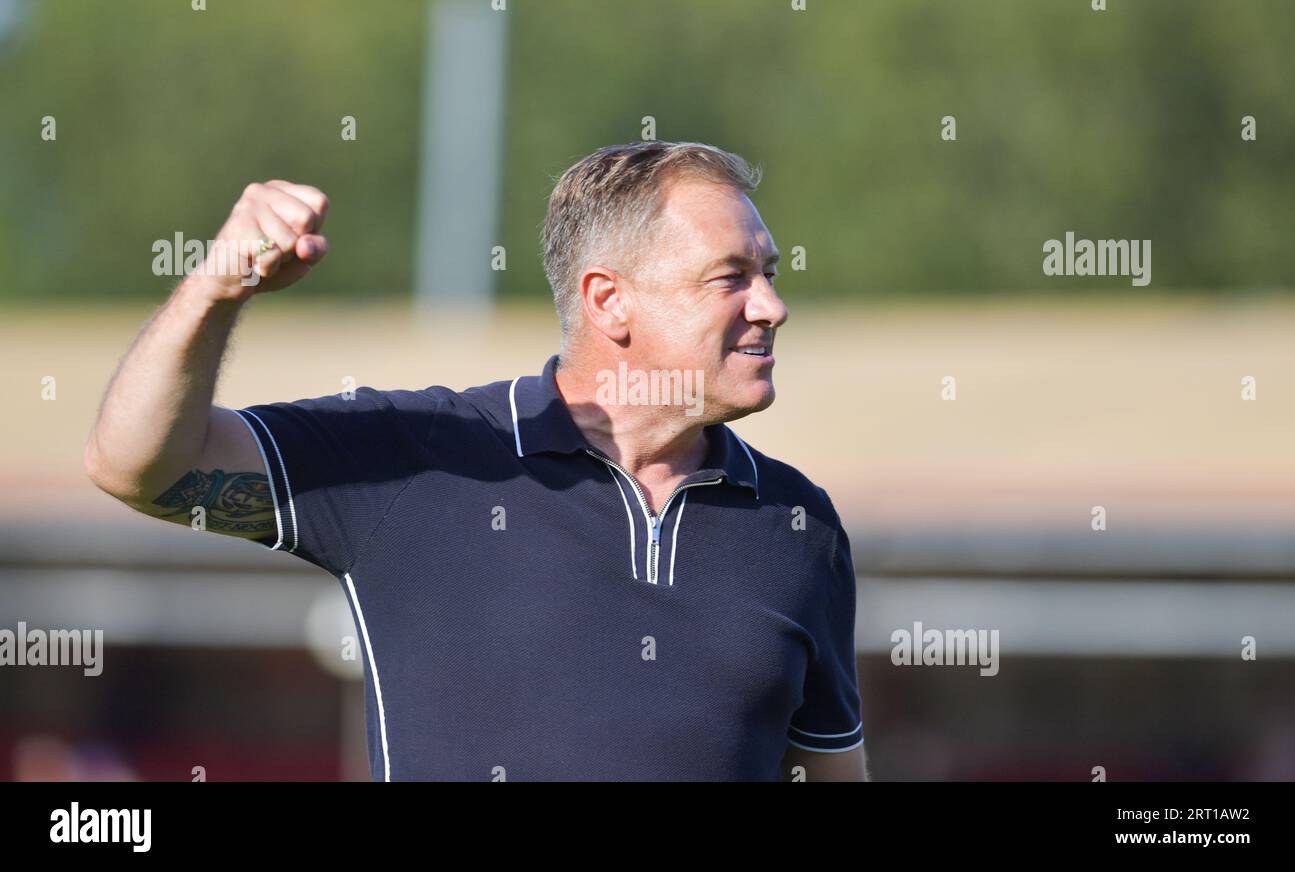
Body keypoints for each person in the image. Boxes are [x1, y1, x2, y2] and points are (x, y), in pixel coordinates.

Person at [85, 141, 867, 781]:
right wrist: (215, 292)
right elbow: (142, 467)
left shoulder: (799, 525)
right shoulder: (425, 455)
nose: (771, 305)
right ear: (608, 301)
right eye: (732, 277)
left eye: (768, 273)